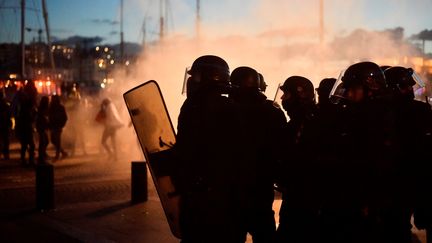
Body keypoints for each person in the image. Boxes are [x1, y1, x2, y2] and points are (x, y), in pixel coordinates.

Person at [173, 55, 245, 243]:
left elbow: (190, 148)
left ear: (209, 77)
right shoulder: (231, 106)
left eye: (195, 76)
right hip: (221, 195)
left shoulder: (195, 107)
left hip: (204, 196)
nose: (191, 81)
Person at [323, 61, 396, 242]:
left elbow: (376, 164)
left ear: (370, 88)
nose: (348, 94)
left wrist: (368, 201)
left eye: (353, 89)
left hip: (369, 204)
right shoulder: (362, 114)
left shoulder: (379, 118)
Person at [230, 67, 286, 242]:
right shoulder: (273, 112)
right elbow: (281, 150)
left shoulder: (227, 111)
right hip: (262, 188)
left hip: (233, 190)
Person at [385, 66, 432, 242]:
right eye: (406, 86)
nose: (411, 89)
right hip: (416, 179)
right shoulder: (421, 110)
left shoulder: (382, 112)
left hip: (399, 182)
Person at [275, 75, 321, 243]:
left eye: (286, 94)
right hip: (297, 196)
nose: (282, 98)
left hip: (303, 200)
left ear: (298, 95)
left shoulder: (308, 122)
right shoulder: (300, 121)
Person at [13, 80, 38, 165]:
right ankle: (28, 159)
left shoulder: (24, 99)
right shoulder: (26, 103)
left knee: (25, 144)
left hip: (24, 124)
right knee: (29, 144)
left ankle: (25, 159)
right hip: (25, 125)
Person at [48, 95, 68, 161]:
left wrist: (62, 124)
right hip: (53, 126)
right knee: (53, 140)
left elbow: (65, 117)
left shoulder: (60, 107)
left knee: (57, 141)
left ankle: (57, 155)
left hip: (58, 126)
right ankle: (63, 152)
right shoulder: (51, 107)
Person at [36, 96, 50, 163]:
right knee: (43, 142)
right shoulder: (41, 108)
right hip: (41, 127)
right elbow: (41, 117)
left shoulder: (45, 107)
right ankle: (41, 157)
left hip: (42, 127)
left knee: (46, 141)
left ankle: (43, 154)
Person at [0, 92, 11, 160]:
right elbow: (8, 114)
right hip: (4, 124)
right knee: (5, 140)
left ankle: (5, 153)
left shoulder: (5, 104)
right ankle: (6, 154)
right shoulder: (5, 104)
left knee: (4, 139)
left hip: (4, 124)